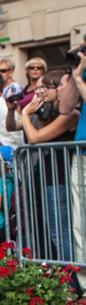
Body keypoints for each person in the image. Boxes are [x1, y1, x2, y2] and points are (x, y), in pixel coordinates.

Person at [20, 71, 80, 262]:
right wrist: (41, 119)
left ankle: (70, 283)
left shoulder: (71, 114)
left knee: (61, 234)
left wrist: (25, 113)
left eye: (50, 86)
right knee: (55, 233)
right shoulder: (55, 113)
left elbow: (34, 138)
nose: (43, 91)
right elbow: (38, 133)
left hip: (59, 179)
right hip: (50, 178)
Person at [59, 41, 86, 287]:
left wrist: (79, 80)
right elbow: (65, 107)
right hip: (81, 154)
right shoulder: (81, 72)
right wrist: (74, 72)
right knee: (80, 222)